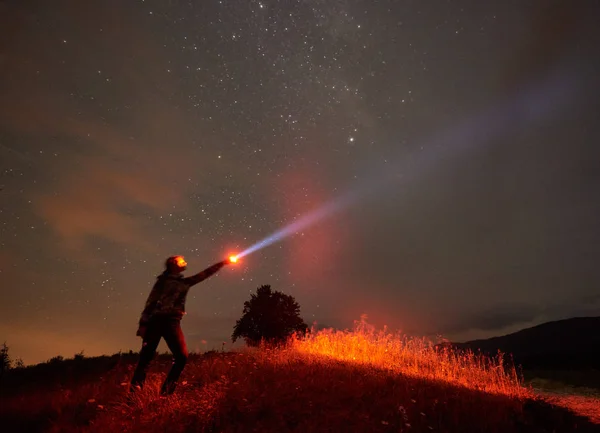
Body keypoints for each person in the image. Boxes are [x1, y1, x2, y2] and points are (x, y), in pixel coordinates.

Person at [130, 255, 231, 395]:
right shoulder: (162, 282)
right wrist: (143, 324)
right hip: (156, 321)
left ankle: (166, 393)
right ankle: (134, 397)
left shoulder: (184, 283)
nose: (185, 261)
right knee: (145, 360)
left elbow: (203, 275)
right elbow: (151, 302)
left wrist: (222, 263)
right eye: (181, 259)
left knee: (181, 357)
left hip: (172, 322)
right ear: (173, 264)